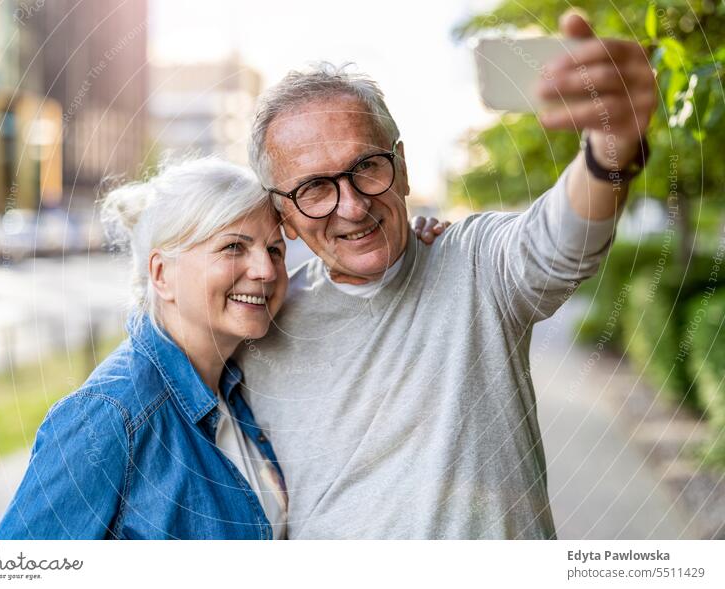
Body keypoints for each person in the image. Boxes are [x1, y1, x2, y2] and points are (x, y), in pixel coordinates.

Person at [236, 13, 658, 538]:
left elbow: (560, 242)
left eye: (367, 166)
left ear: (404, 167)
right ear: (284, 216)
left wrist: (608, 152)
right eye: (314, 189)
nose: (351, 206)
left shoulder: (475, 263)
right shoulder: (258, 326)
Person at [0, 156, 447, 540]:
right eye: (233, 247)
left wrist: (411, 247)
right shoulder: (111, 416)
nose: (265, 271)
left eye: (274, 251)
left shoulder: (241, 381)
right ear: (162, 274)